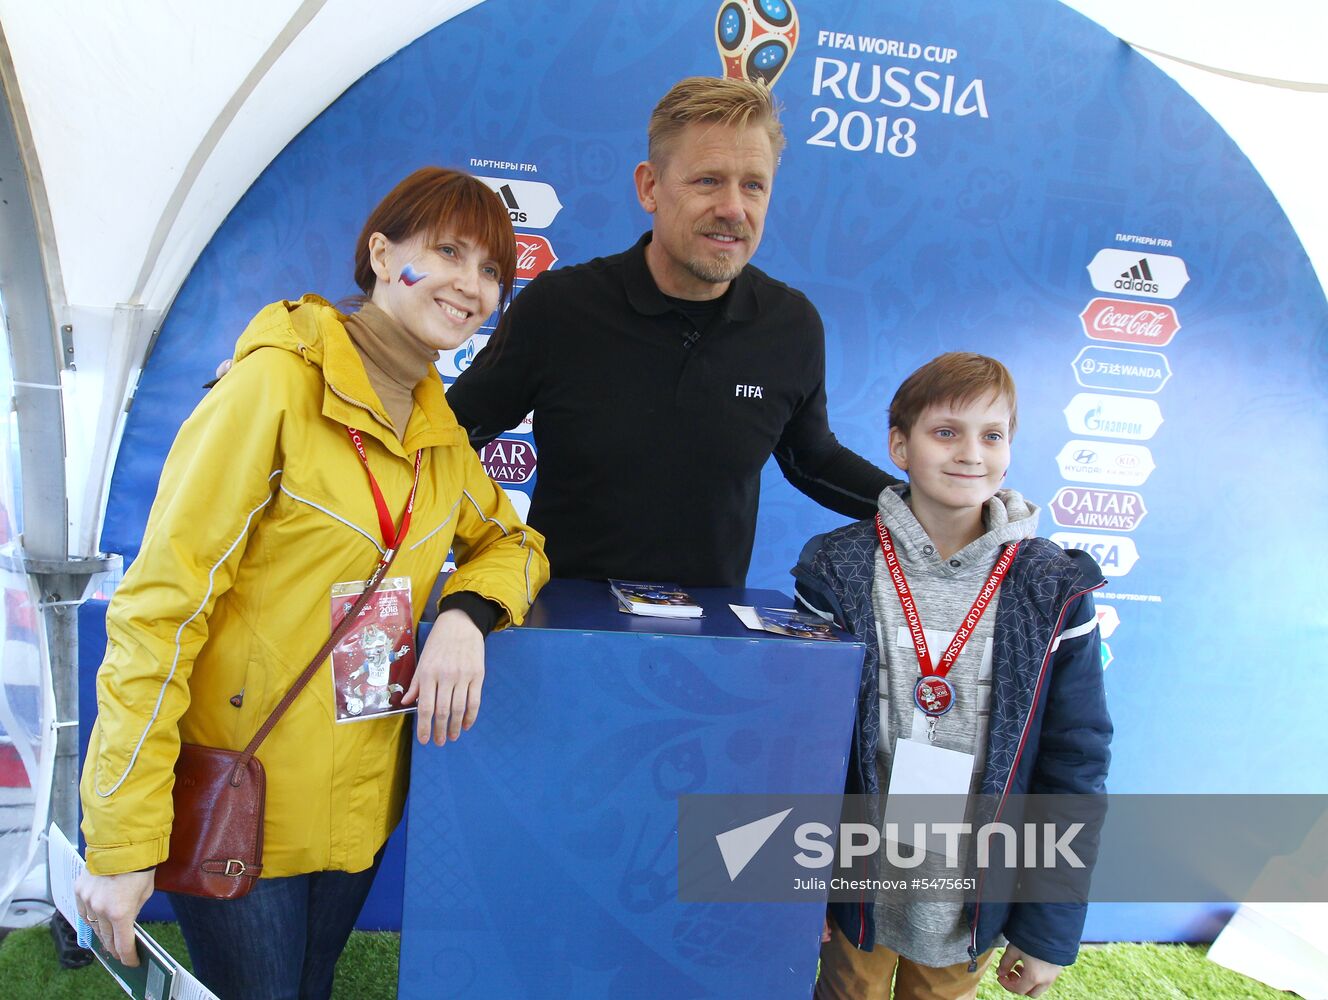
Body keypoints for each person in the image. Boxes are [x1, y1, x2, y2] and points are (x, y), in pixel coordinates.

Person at [75, 168, 550, 999]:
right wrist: (121, 839)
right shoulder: (275, 387)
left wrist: (467, 613)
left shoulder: (438, 432)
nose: (470, 285)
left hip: (361, 807)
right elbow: (160, 612)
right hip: (244, 801)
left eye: (490, 271)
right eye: (447, 252)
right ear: (382, 255)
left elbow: (514, 542)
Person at [446, 76, 900, 587]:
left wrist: (926, 509)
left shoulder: (791, 326)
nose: (733, 208)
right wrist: (487, 556)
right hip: (558, 621)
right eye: (708, 180)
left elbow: (812, 458)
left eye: (753, 185)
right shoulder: (559, 307)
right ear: (650, 188)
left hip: (711, 632)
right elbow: (450, 437)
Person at [793, 353, 1112, 999]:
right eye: (946, 432)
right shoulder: (836, 570)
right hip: (854, 891)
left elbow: (1074, 766)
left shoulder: (1054, 587)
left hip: (966, 904)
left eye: (992, 435)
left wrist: (1046, 930)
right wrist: (796, 887)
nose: (971, 453)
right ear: (899, 446)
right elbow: (801, 742)